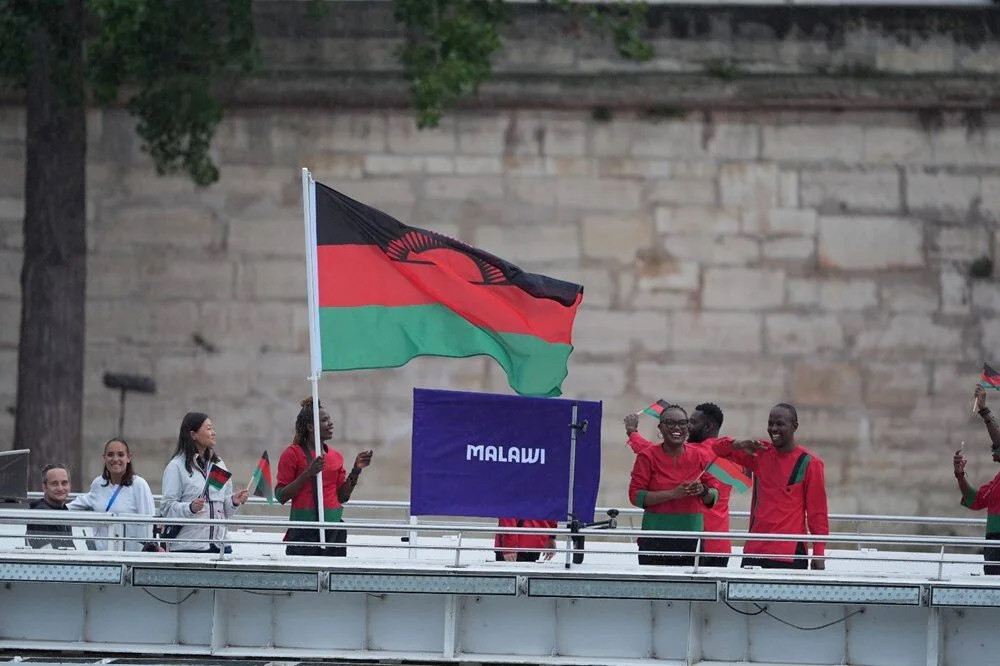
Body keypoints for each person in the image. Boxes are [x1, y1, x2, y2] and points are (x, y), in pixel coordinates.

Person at [715, 403, 829, 570]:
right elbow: (717, 449)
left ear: (794, 427)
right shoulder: (759, 452)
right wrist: (738, 444)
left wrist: (819, 554)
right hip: (754, 551)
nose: (773, 428)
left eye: (780, 424)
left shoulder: (810, 463)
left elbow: (817, 514)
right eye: (770, 423)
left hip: (789, 555)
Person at [625, 402, 734, 567]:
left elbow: (714, 492)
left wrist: (703, 491)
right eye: (670, 423)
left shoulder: (701, 455)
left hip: (693, 540)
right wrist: (672, 494)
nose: (679, 427)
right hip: (656, 538)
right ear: (660, 428)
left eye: (684, 423)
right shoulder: (648, 457)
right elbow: (635, 496)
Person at [276, 398, 373, 557]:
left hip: (334, 529)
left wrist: (356, 471)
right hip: (303, 531)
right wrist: (308, 473)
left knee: (333, 579)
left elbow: (342, 497)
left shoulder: (336, 456)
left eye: (329, 419)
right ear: (311, 427)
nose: (330, 423)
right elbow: (281, 496)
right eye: (324, 420)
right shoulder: (292, 454)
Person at [160, 412, 248, 553]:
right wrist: (190, 508)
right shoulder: (176, 466)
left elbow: (224, 512)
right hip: (189, 547)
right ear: (193, 434)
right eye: (208, 428)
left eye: (212, 428)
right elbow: (167, 508)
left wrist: (233, 501)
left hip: (221, 546)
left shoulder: (219, 464)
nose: (213, 433)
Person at [68, 438, 156, 551]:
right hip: (100, 554)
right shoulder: (98, 483)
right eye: (110, 455)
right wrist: (47, 507)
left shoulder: (139, 485)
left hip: (130, 556)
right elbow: (79, 504)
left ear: (128, 458)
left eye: (120, 455)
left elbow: (148, 523)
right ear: (104, 458)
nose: (115, 459)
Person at [954, 386, 1000, 574]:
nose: (992, 449)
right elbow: (974, 499)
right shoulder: (997, 482)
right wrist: (960, 476)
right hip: (993, 541)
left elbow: (999, 442)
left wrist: (983, 410)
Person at [25, 464, 74, 549]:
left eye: (64, 483)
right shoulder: (41, 515)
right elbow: (49, 557)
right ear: (44, 487)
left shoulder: (62, 510)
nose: (60, 488)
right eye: (54, 484)